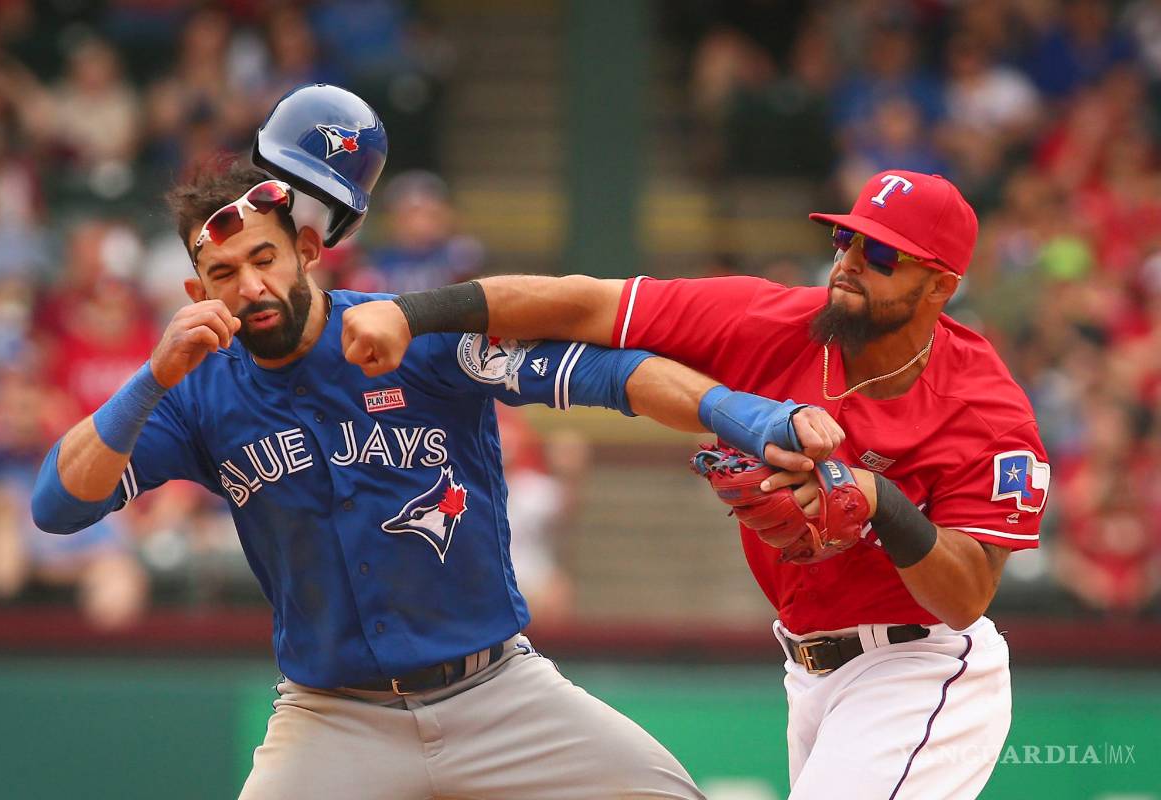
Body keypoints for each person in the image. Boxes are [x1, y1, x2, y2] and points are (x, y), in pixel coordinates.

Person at [31, 86, 846, 800]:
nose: (249, 287)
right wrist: (151, 378)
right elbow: (59, 504)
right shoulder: (194, 394)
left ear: (308, 252)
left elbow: (612, 376)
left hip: (497, 693)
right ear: (194, 290)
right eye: (221, 274)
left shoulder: (406, 334)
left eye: (265, 258)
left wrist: (754, 418)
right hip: (331, 716)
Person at [342, 170, 1050, 799]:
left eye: (883, 255)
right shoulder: (768, 321)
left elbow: (965, 598)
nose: (851, 264)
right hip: (809, 670)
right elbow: (582, 304)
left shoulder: (985, 410)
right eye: (845, 241)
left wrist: (879, 501)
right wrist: (412, 313)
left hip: (921, 668)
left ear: (941, 286)